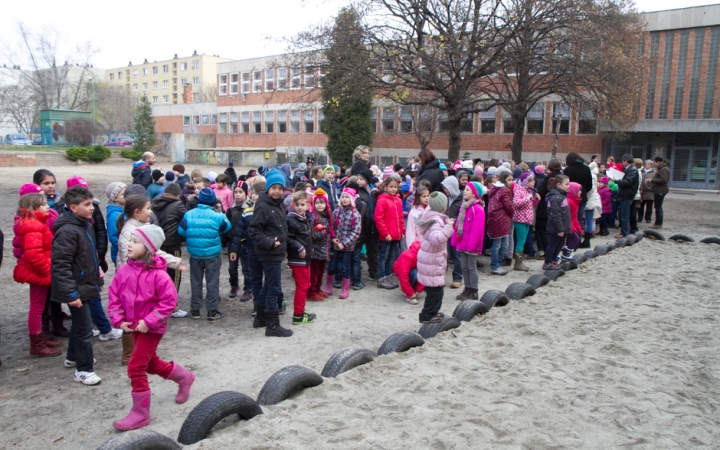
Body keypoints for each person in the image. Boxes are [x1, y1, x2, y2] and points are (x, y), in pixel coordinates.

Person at [108, 225, 195, 431]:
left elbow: (168, 301)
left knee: (135, 366)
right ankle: (184, 377)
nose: (129, 244)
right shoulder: (123, 270)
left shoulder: (159, 275)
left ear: (149, 248)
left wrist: (149, 322)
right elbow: (114, 297)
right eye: (130, 240)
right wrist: (119, 320)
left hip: (151, 328)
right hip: (133, 325)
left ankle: (140, 414)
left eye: (136, 241)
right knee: (150, 363)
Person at [51, 186, 103, 385]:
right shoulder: (67, 232)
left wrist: (96, 279)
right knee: (84, 328)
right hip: (76, 288)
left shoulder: (84, 225)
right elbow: (61, 264)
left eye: (91, 204)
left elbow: (88, 257)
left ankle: (73, 357)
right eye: (87, 205)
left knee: (79, 325)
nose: (92, 208)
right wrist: (71, 293)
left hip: (86, 284)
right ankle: (84, 369)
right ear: (73, 207)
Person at [14, 186, 62, 357]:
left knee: (40, 306)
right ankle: (37, 344)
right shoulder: (33, 226)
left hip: (41, 271)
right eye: (43, 204)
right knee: (37, 307)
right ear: (33, 208)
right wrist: (47, 271)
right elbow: (34, 254)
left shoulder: (35, 224)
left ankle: (40, 338)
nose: (47, 206)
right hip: (39, 273)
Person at [248, 170, 293, 337]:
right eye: (273, 187)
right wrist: (270, 242)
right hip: (268, 252)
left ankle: (260, 318)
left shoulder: (278, 204)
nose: (277, 191)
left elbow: (282, 228)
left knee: (268, 285)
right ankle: (273, 325)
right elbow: (254, 230)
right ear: (267, 189)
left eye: (280, 188)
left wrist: (285, 248)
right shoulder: (263, 206)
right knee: (274, 287)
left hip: (277, 251)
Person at [178, 188, 230, 321]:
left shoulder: (188, 214)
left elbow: (181, 231)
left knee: (195, 281)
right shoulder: (217, 216)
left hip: (195, 254)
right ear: (213, 201)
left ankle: (195, 309)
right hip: (212, 254)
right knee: (212, 282)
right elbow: (227, 227)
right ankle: (212, 310)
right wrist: (220, 213)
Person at [415, 192, 455, 324]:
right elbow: (436, 238)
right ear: (443, 207)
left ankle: (433, 312)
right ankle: (427, 315)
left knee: (435, 290)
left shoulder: (432, 217)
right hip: (433, 261)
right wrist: (448, 228)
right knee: (435, 291)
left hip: (430, 259)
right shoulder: (436, 221)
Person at [151, 183, 189, 318]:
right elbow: (187, 219)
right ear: (178, 195)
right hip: (172, 243)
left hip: (157, 244)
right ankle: (173, 307)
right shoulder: (178, 205)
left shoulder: (154, 203)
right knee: (175, 276)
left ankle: (159, 304)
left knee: (160, 276)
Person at [230, 181, 263, 315]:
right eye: (255, 194)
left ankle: (273, 302)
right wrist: (233, 248)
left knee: (266, 277)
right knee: (252, 276)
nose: (256, 197)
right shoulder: (243, 211)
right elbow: (237, 232)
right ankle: (256, 304)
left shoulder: (264, 210)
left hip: (264, 249)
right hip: (247, 247)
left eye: (241, 192)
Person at [451, 182, 486, 300]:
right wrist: (455, 239)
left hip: (471, 245)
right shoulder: (464, 207)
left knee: (471, 267)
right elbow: (458, 225)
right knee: (464, 267)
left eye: (467, 190)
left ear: (475, 193)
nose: (464, 191)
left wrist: (471, 245)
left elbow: (477, 229)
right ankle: (467, 288)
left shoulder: (478, 209)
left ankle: (474, 290)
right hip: (463, 242)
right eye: (464, 189)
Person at [287, 192, 317, 325]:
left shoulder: (306, 218)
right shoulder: (291, 219)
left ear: (307, 205)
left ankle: (301, 309)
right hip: (298, 258)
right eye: (297, 205)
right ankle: (298, 315)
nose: (300, 207)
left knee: (306, 285)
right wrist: (299, 247)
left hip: (306, 257)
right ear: (293, 205)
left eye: (302, 205)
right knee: (302, 286)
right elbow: (288, 238)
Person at [327, 188, 362, 299]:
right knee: (332, 265)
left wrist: (344, 243)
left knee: (345, 266)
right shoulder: (336, 211)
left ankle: (345, 289)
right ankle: (329, 286)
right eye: (343, 197)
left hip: (347, 247)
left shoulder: (356, 214)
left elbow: (356, 232)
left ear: (351, 199)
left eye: (347, 197)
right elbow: (331, 226)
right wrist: (333, 238)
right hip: (335, 245)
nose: (344, 199)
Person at [375, 174, 405, 290]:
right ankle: (382, 278)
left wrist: (402, 231)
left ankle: (387, 276)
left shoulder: (398, 200)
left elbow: (400, 218)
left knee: (391, 256)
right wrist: (385, 233)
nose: (393, 189)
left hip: (395, 235)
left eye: (395, 187)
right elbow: (379, 218)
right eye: (391, 187)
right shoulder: (382, 200)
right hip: (386, 235)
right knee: (383, 256)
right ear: (386, 187)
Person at [225, 182, 252, 300]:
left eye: (241, 192)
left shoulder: (250, 208)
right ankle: (234, 286)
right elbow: (227, 225)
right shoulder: (231, 209)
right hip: (232, 242)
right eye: (235, 192)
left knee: (247, 268)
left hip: (245, 243)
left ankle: (248, 289)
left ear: (246, 193)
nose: (238, 195)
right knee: (232, 267)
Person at [307, 188, 333, 301]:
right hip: (315, 250)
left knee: (321, 272)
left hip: (324, 250)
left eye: (322, 203)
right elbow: (310, 234)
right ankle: (311, 292)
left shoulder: (328, 216)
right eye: (317, 203)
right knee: (314, 272)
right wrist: (321, 232)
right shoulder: (313, 217)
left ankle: (318, 289)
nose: (319, 205)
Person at [544, 175, 574, 270]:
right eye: (567, 184)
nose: (569, 186)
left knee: (559, 244)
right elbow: (555, 214)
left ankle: (553, 260)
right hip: (556, 227)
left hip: (562, 226)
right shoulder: (556, 198)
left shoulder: (561, 196)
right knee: (553, 244)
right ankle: (548, 262)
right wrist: (560, 228)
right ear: (559, 185)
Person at [512, 173, 540, 271]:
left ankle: (519, 262)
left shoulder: (528, 190)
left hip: (527, 218)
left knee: (523, 241)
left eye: (533, 180)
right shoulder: (519, 189)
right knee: (521, 240)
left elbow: (531, 205)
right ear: (525, 181)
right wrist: (527, 198)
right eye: (531, 181)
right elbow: (516, 203)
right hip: (520, 218)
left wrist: (536, 199)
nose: (533, 182)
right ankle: (518, 264)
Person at [488, 171, 514, 276]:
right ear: (503, 179)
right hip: (502, 219)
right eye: (509, 180)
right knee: (500, 244)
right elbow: (508, 206)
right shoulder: (503, 190)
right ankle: (495, 265)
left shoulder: (494, 189)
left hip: (495, 219)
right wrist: (512, 213)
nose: (511, 182)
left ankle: (497, 264)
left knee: (501, 244)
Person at [356, 170, 380, 281]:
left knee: (373, 250)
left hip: (373, 226)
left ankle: (373, 272)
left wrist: (378, 193)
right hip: (361, 226)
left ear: (367, 180)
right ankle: (355, 274)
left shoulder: (374, 191)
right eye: (358, 179)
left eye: (361, 179)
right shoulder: (357, 192)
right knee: (357, 250)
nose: (358, 181)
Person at [441, 175, 463, 288]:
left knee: (457, 256)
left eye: (446, 188)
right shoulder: (445, 198)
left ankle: (458, 278)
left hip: (457, 231)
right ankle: (442, 277)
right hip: (446, 229)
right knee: (445, 254)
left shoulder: (462, 200)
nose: (445, 190)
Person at [614, 154, 639, 238]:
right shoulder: (629, 169)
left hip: (626, 194)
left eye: (623, 161)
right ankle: (625, 231)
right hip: (625, 194)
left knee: (624, 215)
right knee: (624, 214)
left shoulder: (633, 170)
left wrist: (617, 181)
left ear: (626, 161)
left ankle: (624, 232)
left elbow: (628, 182)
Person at [563, 152, 592, 225]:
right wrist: (583, 191)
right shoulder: (586, 168)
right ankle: (577, 234)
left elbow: (564, 184)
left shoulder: (567, 170)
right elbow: (589, 185)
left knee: (569, 217)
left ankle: (571, 233)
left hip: (570, 196)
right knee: (578, 218)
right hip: (582, 196)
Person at [106, 182, 127, 266]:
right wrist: (125, 248)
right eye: (122, 194)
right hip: (120, 253)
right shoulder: (114, 215)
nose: (126, 196)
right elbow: (113, 237)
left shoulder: (122, 210)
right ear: (115, 198)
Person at [533, 164, 550, 260]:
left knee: (539, 230)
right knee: (544, 229)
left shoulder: (535, 181)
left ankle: (540, 248)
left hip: (538, 206)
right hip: (546, 206)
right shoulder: (546, 180)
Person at [650, 156, 670, 229]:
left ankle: (658, 223)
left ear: (658, 162)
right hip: (659, 189)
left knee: (658, 206)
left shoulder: (663, 169)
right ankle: (658, 222)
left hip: (660, 190)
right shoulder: (662, 168)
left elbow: (663, 180)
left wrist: (653, 180)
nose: (654, 164)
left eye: (654, 162)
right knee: (658, 206)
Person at [638, 160, 656, 224]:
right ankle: (640, 217)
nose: (647, 165)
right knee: (640, 205)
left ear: (651, 165)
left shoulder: (654, 172)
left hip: (650, 191)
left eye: (648, 164)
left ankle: (648, 218)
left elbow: (655, 181)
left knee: (649, 206)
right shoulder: (642, 171)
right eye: (646, 163)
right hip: (642, 191)